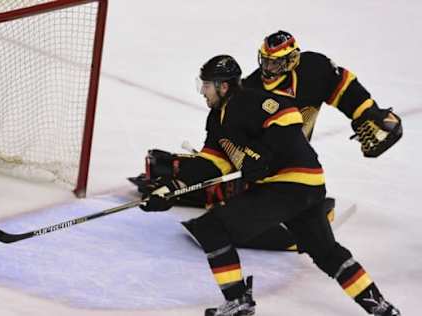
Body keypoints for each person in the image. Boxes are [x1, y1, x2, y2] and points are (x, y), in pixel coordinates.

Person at [139, 55, 400, 316]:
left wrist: (265, 153)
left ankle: (239, 303)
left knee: (211, 227)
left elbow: (287, 115)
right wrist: (171, 188)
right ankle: (383, 309)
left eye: (206, 86)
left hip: (288, 184)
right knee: (326, 252)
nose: (202, 92)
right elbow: (211, 164)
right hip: (301, 188)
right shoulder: (217, 120)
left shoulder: (251, 99)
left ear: (224, 86)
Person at [243, 30, 402, 152]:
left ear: (291, 60)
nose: (267, 69)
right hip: (260, 166)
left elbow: (343, 88)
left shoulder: (314, 69)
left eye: (275, 63)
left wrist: (366, 112)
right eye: (265, 61)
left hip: (298, 162)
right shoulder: (251, 89)